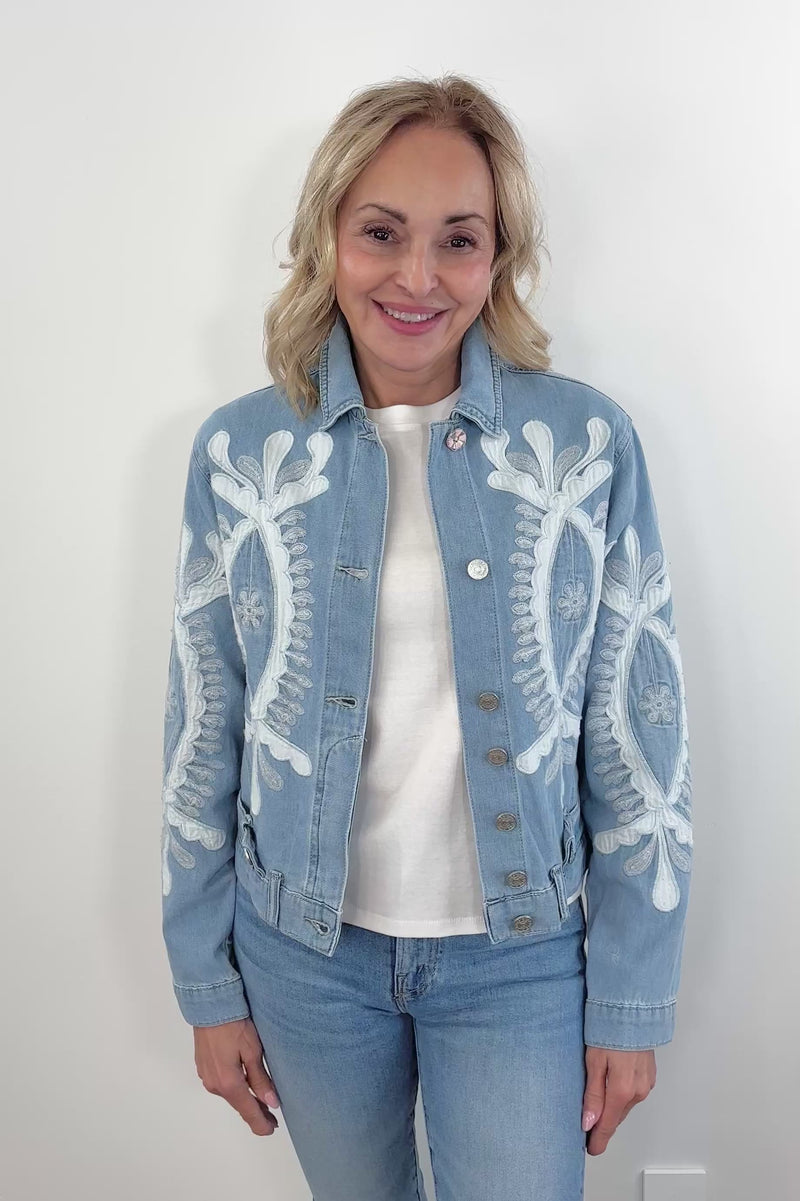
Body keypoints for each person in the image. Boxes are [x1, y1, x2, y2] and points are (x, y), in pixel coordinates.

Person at [160, 73, 693, 1200]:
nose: (416, 276)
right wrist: (206, 982)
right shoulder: (241, 453)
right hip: (303, 958)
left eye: (458, 239)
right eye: (380, 233)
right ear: (327, 239)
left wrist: (631, 995)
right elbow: (204, 726)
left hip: (518, 962)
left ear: (499, 256)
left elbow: (637, 730)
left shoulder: (586, 446)